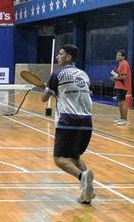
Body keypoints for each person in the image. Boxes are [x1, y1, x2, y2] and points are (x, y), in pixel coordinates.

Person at [40, 44, 95, 204]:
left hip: (67, 121)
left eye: (61, 54)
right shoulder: (84, 75)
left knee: (59, 159)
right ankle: (87, 192)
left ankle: (82, 176)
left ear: (68, 57)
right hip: (87, 122)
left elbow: (44, 98)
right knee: (75, 158)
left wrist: (46, 89)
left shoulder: (57, 74)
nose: (58, 56)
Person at [111, 49, 131, 126]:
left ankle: (125, 120)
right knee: (120, 103)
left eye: (119, 55)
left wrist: (115, 78)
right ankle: (121, 118)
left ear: (123, 56)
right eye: (117, 55)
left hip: (123, 86)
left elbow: (123, 76)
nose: (117, 56)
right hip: (119, 86)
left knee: (123, 102)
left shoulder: (124, 64)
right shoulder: (120, 64)